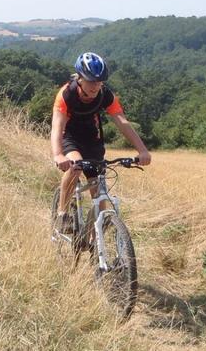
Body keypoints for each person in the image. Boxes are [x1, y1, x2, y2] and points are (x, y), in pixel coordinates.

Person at [51, 51, 151, 230]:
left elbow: (122, 122)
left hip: (92, 138)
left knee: (99, 193)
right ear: (80, 78)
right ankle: (62, 214)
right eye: (90, 80)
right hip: (70, 136)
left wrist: (142, 150)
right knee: (76, 166)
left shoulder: (105, 95)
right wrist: (58, 155)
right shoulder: (66, 95)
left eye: (99, 81)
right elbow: (57, 127)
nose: (95, 85)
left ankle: (94, 241)